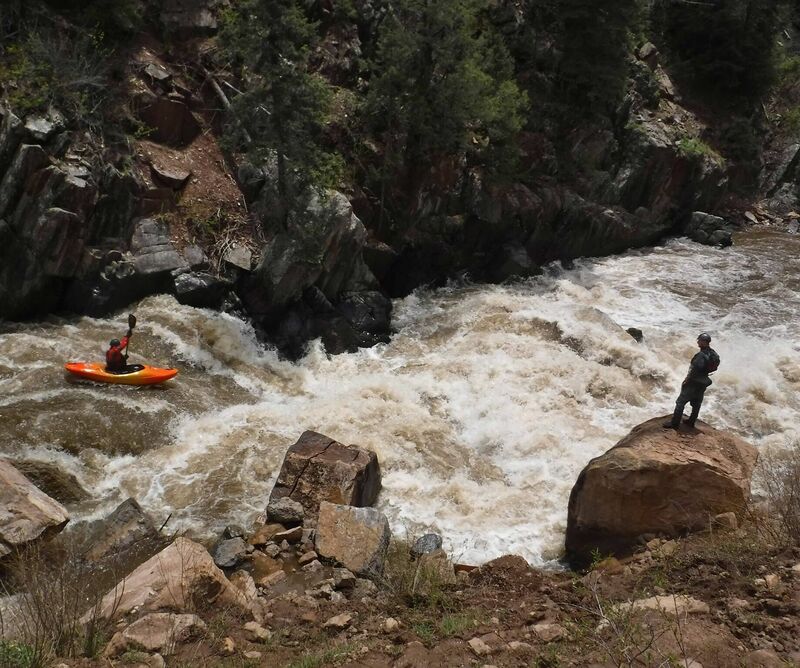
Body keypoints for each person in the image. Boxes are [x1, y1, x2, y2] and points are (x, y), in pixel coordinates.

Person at [663, 332, 720, 429]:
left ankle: (675, 423)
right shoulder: (713, 353)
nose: (698, 341)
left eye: (699, 340)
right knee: (697, 403)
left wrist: (687, 379)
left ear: (703, 342)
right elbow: (715, 365)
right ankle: (691, 422)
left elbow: (696, 368)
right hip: (704, 381)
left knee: (680, 402)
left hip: (694, 381)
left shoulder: (701, 355)